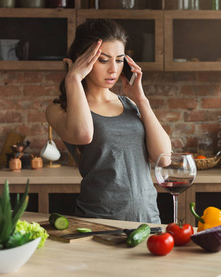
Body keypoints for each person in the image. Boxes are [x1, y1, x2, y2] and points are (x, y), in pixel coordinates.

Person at [45, 19, 171, 224]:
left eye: (119, 60)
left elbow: (163, 159)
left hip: (148, 220)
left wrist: (141, 100)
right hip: (99, 223)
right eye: (103, 60)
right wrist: (73, 79)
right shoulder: (60, 110)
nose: (113, 69)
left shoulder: (130, 103)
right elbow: (83, 134)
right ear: (81, 59)